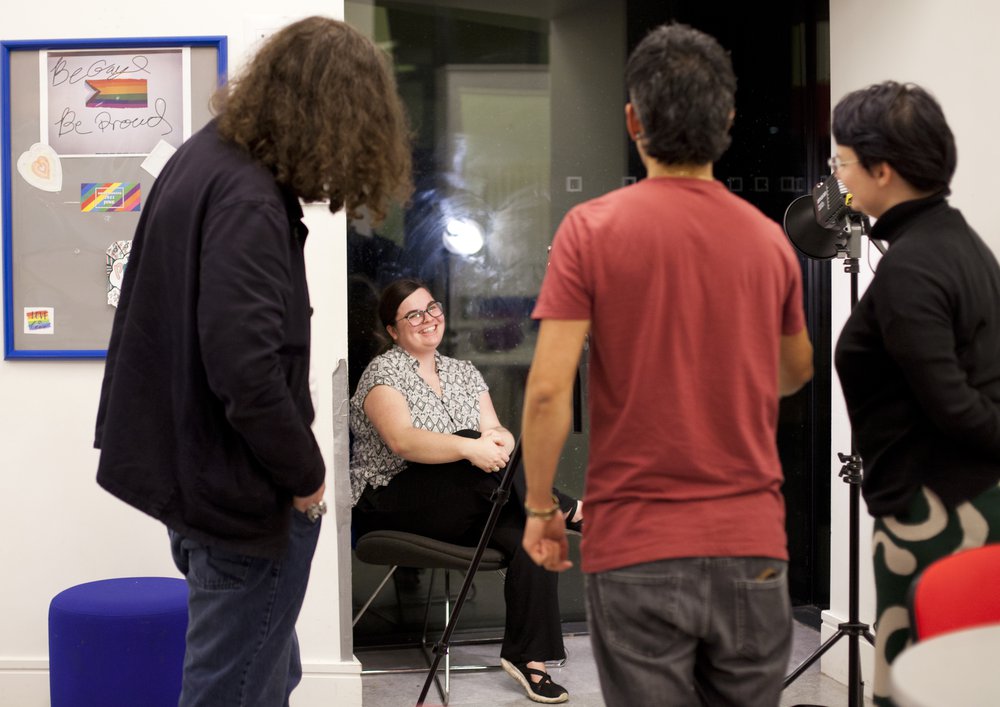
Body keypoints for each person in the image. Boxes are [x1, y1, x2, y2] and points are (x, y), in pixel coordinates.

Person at [94, 17, 412, 707]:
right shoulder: (247, 198)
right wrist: (306, 474)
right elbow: (244, 367)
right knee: (231, 691)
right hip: (240, 496)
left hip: (200, 477)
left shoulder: (206, 157)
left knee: (266, 675)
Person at [518, 23, 814, 707]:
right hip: (750, 546)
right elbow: (795, 369)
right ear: (728, 120)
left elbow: (548, 391)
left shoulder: (590, 230)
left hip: (638, 546)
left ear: (634, 121)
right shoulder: (767, 241)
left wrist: (539, 507)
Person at [830, 81, 1000, 706]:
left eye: (843, 162)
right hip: (966, 499)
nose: (839, 177)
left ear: (882, 170)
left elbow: (953, 405)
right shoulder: (959, 242)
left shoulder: (913, 265)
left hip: (938, 512)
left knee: (923, 687)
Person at [350, 278, 583, 704]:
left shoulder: (463, 372)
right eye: (412, 314)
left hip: (464, 500)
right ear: (393, 330)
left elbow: (494, 430)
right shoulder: (383, 372)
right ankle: (570, 509)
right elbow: (402, 441)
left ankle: (529, 658)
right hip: (394, 501)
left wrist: (499, 440)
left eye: (432, 308)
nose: (427, 319)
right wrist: (470, 447)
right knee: (471, 443)